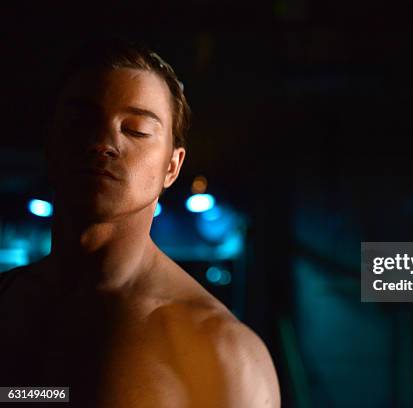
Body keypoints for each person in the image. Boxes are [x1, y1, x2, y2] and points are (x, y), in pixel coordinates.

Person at [0, 38, 280, 407]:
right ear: (50, 140)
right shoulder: (8, 302)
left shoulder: (222, 351)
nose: (103, 141)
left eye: (135, 129)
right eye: (80, 121)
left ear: (172, 166)